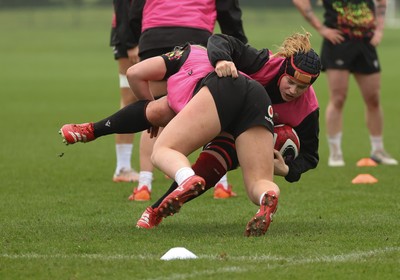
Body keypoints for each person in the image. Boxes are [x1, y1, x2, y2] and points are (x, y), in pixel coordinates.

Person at [60, 42, 277, 237]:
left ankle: (181, 180)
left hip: (221, 93)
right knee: (255, 183)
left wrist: (149, 107)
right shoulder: (302, 102)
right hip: (257, 100)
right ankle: (268, 195)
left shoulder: (187, 57)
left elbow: (134, 72)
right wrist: (285, 167)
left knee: (163, 150)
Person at [136, 32, 322, 230]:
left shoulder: (308, 108)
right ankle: (267, 196)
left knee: (178, 154)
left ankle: (157, 209)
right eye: (290, 82)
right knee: (255, 182)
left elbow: (310, 154)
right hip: (238, 122)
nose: (293, 91)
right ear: (283, 69)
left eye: (302, 87)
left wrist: (287, 170)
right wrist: (222, 60)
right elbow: (220, 40)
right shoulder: (264, 62)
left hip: (241, 130)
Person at [125, 0, 247, 201]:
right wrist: (235, 45)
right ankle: (221, 184)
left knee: (153, 109)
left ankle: (143, 186)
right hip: (195, 35)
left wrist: (136, 36)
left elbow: (135, 8)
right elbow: (228, 11)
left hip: (155, 35)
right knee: (207, 109)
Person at [292, 0, 398, 166]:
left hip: (366, 43)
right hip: (338, 42)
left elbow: (382, 2)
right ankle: (335, 153)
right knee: (338, 98)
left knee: (373, 98)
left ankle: (378, 150)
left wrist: (379, 28)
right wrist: (322, 29)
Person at [109, 0, 140, 183]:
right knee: (129, 98)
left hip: (153, 29)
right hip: (129, 33)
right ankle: (122, 167)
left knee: (163, 94)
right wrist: (130, 42)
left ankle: (167, 160)